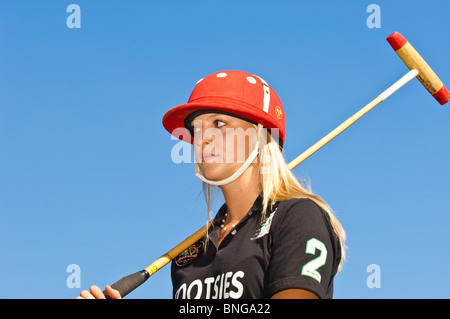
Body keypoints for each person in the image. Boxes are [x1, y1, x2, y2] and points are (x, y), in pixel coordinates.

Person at [77, 70, 346, 299]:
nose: (202, 139)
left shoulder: (298, 217)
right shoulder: (190, 254)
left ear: (260, 136)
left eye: (219, 123)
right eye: (196, 129)